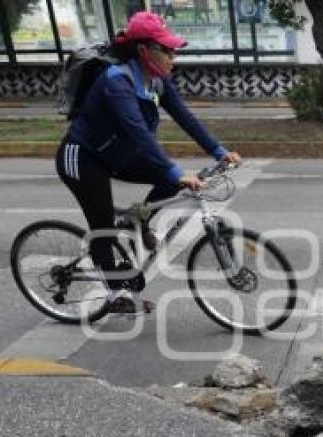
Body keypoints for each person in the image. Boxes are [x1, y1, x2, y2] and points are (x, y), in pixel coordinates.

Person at [56, 11, 241, 314]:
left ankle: (138, 219)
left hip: (116, 154)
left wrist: (219, 150)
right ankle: (117, 293)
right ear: (144, 50)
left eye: (173, 50)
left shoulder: (157, 79)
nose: (173, 57)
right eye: (166, 50)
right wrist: (176, 171)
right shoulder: (116, 80)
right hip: (83, 156)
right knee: (102, 224)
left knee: (168, 180)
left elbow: (186, 118)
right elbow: (138, 132)